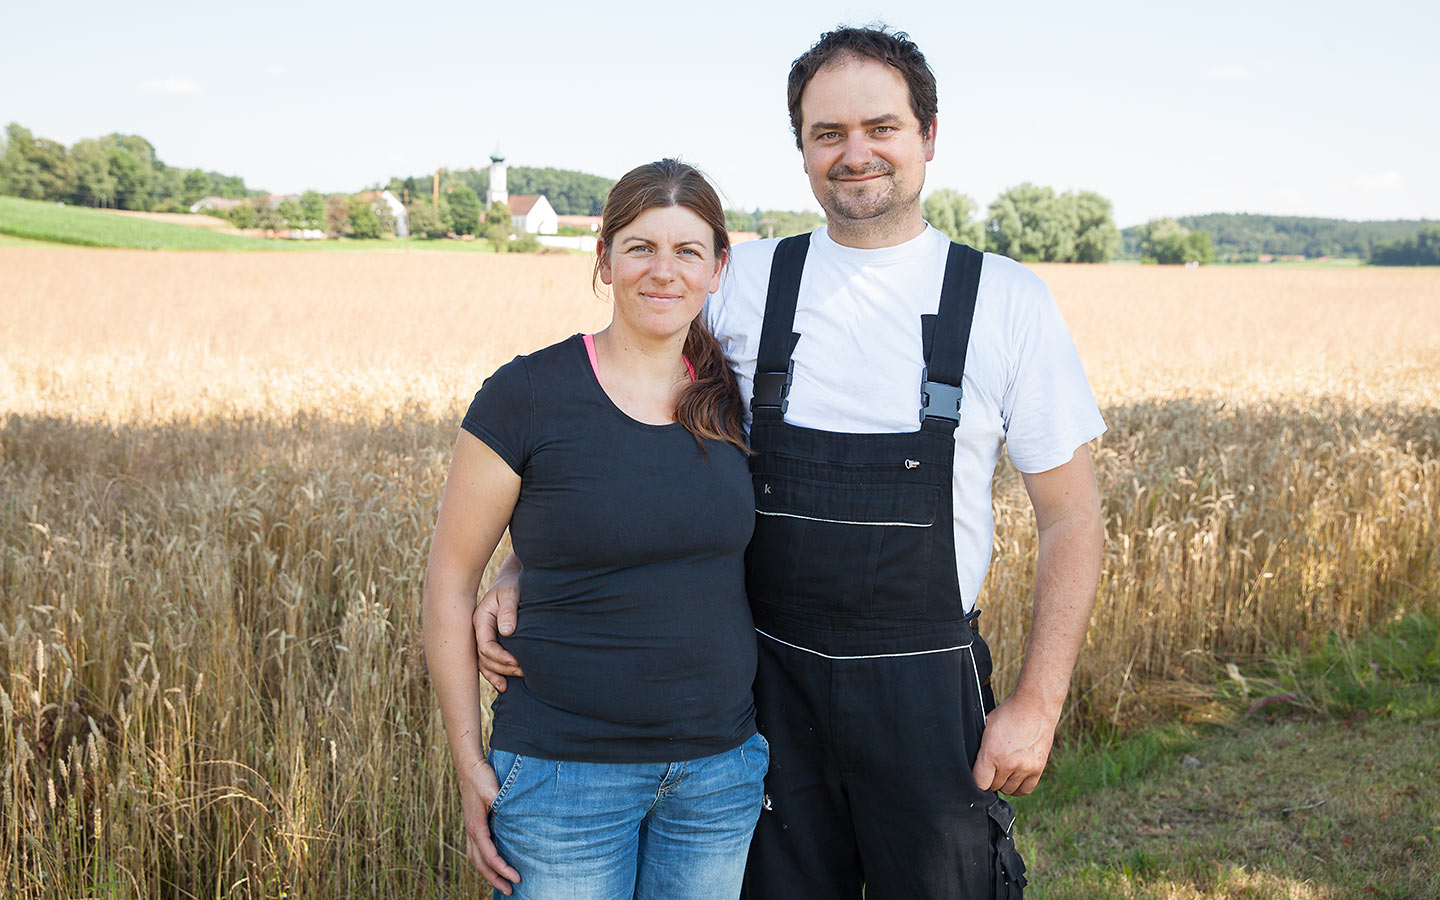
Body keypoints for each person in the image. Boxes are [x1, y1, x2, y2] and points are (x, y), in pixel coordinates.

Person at [476, 26, 1105, 900]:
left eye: (881, 127)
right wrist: (525, 558)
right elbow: (627, 424)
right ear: (803, 151)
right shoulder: (746, 282)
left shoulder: (1005, 301)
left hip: (926, 696)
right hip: (767, 690)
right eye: (828, 133)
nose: (857, 154)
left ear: (928, 135)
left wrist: (1037, 704)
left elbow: (1072, 516)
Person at [423, 158, 769, 900]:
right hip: (561, 779)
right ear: (604, 260)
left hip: (718, 772)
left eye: (688, 251)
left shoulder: (733, 399)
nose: (663, 271)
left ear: (718, 268)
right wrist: (468, 765)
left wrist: (520, 566)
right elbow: (450, 586)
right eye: (640, 247)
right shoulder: (526, 395)